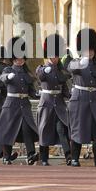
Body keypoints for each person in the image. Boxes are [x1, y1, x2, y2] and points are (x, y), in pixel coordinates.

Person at [67, 28, 96, 167]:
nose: (90, 53)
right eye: (87, 50)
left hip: (95, 100)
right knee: (78, 129)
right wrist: (81, 63)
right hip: (80, 99)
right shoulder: (76, 62)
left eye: (92, 50)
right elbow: (70, 67)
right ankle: (75, 157)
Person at [0, 37, 39, 165]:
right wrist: (8, 77)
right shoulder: (8, 70)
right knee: (8, 130)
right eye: (17, 58)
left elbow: (31, 90)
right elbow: (2, 78)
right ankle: (6, 156)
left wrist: (37, 94)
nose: (20, 60)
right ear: (13, 58)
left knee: (27, 129)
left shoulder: (28, 74)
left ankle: (31, 154)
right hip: (11, 104)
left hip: (24, 105)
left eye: (22, 58)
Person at [36, 34, 72, 166]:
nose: (55, 58)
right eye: (53, 56)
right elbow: (40, 76)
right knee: (44, 130)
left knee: (62, 129)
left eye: (56, 56)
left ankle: (69, 155)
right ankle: (44, 158)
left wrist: (71, 95)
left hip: (59, 104)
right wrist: (46, 70)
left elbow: (65, 86)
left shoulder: (61, 70)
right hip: (46, 103)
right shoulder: (41, 68)